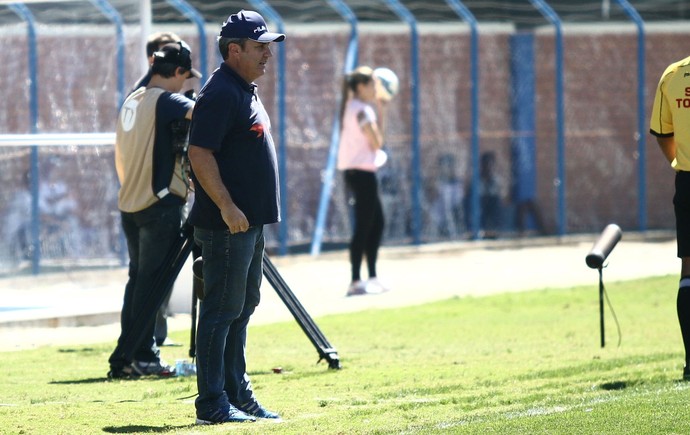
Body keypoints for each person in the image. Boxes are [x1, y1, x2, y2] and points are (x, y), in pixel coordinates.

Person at [186, 10, 284, 424]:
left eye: (268, 47)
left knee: (242, 307)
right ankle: (212, 404)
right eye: (259, 47)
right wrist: (227, 205)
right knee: (221, 311)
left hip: (248, 222)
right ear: (234, 50)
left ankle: (236, 394)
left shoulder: (243, 87)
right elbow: (199, 151)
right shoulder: (222, 92)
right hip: (228, 225)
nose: (267, 54)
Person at [107, 41, 200, 379]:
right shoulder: (166, 99)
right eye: (185, 77)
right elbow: (204, 113)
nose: (184, 85)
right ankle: (141, 356)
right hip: (157, 204)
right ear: (177, 72)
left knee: (138, 282)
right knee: (152, 285)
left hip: (129, 203)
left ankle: (129, 355)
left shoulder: (133, 98)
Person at [650, 55, 690, 381]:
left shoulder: (674, 74)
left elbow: (663, 134)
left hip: (689, 181)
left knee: (689, 269)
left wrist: (678, 163)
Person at [336, 66, 389, 296]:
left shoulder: (350, 106)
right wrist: (382, 111)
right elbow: (376, 143)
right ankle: (356, 280)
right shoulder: (363, 110)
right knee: (365, 225)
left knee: (376, 223)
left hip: (357, 172)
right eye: (372, 85)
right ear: (361, 86)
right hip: (362, 173)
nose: (376, 89)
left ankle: (372, 277)